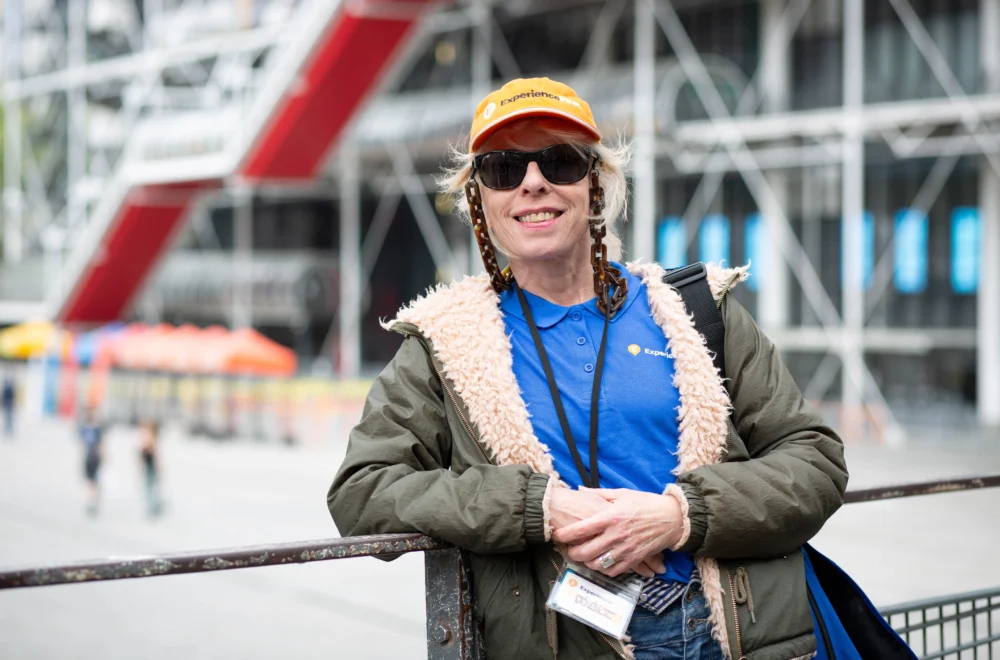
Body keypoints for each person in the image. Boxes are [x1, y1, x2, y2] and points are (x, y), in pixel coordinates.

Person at [327, 78, 849, 660]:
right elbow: (362, 492)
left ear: (596, 185)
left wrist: (682, 516)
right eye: (503, 169)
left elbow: (815, 461)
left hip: (735, 634)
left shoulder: (696, 310)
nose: (532, 183)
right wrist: (536, 508)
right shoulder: (444, 343)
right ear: (480, 200)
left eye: (560, 160)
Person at [79, 406, 105, 517]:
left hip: (88, 457)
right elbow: (100, 445)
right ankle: (93, 502)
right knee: (94, 481)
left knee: (90, 481)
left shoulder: (85, 429)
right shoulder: (96, 429)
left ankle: (90, 501)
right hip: (95, 458)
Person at [138, 419, 163, 517]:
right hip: (149, 467)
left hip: (150, 467)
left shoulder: (149, 440)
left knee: (151, 487)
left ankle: (152, 506)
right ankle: (152, 506)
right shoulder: (149, 440)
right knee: (151, 487)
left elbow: (150, 455)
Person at [2, 373, 15, 438]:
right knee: (7, 418)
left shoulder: (9, 388)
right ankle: (7, 429)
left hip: (9, 404)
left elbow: (12, 396)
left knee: (9, 418)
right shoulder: (7, 388)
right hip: (8, 404)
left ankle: (9, 429)